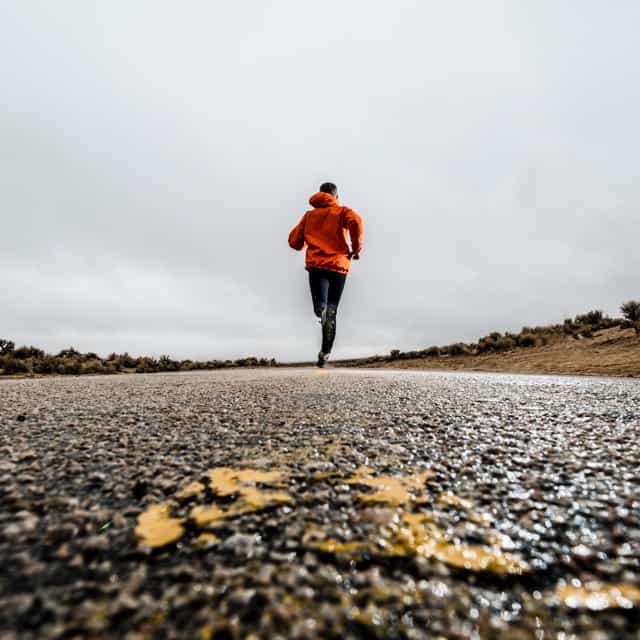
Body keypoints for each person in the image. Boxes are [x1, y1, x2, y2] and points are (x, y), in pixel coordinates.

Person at [288, 182, 364, 367]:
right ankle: (325, 353)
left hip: (316, 266)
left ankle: (321, 311)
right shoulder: (343, 211)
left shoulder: (309, 216)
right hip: (339, 266)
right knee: (333, 309)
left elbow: (294, 241)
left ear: (319, 194)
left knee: (320, 307)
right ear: (335, 196)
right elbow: (356, 222)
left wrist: (307, 240)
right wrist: (355, 249)